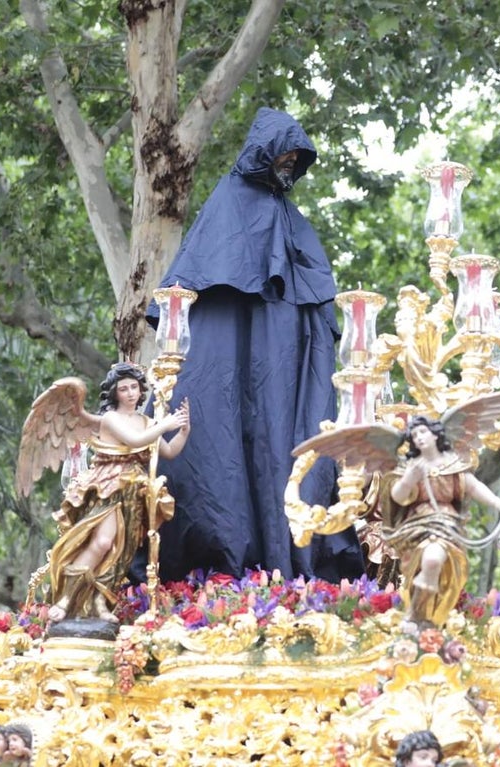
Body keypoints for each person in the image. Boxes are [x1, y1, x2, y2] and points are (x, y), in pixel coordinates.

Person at [149, 107, 362, 582]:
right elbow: (189, 294)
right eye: (282, 155)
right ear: (262, 154)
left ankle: (293, 551)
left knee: (285, 442)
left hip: (282, 362)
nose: (288, 166)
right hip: (228, 357)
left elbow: (311, 297)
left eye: (294, 159)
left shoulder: (289, 218)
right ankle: (223, 559)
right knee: (222, 442)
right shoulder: (227, 206)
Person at [39, 363, 190, 622]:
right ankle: (66, 598)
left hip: (134, 493)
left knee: (121, 553)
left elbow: (168, 452)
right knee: (102, 542)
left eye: (134, 387)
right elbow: (135, 441)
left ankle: (100, 603)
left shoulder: (145, 421)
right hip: (110, 487)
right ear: (115, 393)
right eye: (124, 389)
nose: (130, 393)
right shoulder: (111, 419)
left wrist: (183, 430)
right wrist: (165, 425)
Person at [382, 416, 500, 628]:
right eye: (414, 435)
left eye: (423, 432)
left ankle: (421, 617)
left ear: (435, 434)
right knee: (424, 565)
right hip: (417, 526)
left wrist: (497, 502)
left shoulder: (453, 464)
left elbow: (473, 486)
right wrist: (410, 479)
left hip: (447, 525)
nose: (419, 438)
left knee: (436, 563)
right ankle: (421, 617)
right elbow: (397, 496)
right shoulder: (413, 466)